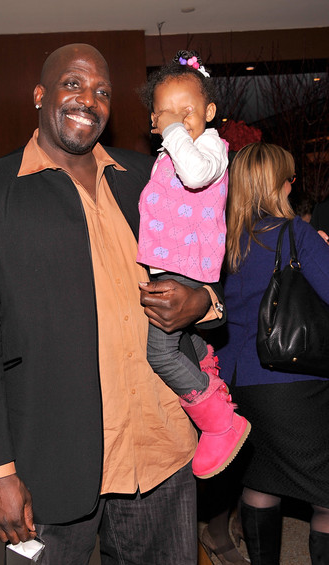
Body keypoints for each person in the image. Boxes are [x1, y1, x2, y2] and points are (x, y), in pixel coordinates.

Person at [0, 43, 227, 565]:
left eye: (101, 91)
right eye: (73, 84)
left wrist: (203, 303)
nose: (88, 99)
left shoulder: (152, 176)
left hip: (160, 454)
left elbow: (207, 259)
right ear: (40, 95)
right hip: (49, 464)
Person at [218, 142, 329, 565]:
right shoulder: (295, 235)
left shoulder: (223, 241)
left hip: (237, 386)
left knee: (262, 477)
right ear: (278, 185)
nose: (292, 184)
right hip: (293, 383)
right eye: (289, 178)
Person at [136, 50, 250, 480]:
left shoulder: (210, 150)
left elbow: (197, 175)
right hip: (170, 266)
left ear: (210, 112)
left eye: (188, 112)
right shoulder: (165, 159)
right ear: (152, 122)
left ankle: (219, 422)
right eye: (166, 114)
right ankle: (205, 365)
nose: (178, 122)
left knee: (160, 354)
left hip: (187, 266)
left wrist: (173, 130)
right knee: (183, 340)